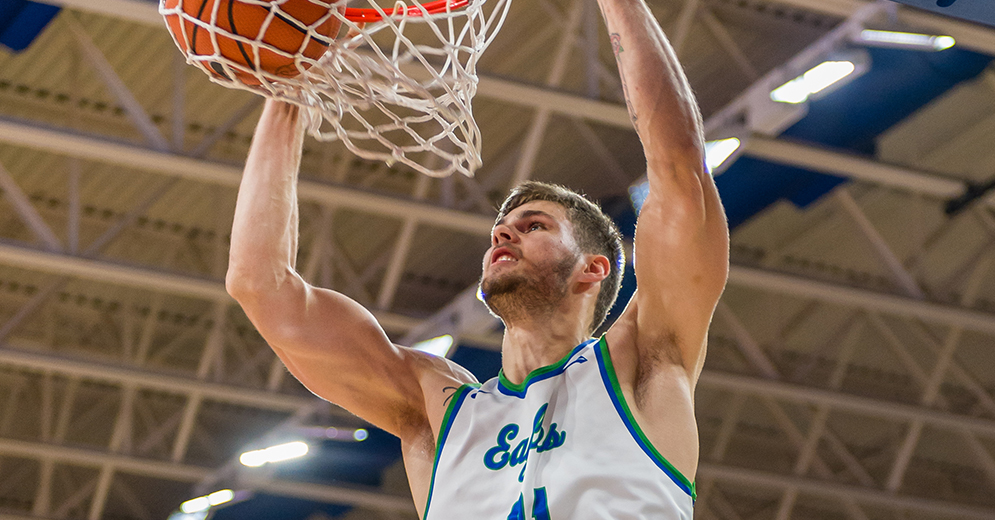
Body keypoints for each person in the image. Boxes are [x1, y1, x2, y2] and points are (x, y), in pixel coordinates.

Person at [225, 0, 728, 516]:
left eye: (534, 225)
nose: (504, 233)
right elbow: (258, 284)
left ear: (593, 268)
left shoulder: (645, 358)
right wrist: (290, 86)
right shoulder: (438, 410)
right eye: (500, 229)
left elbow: (679, 171)